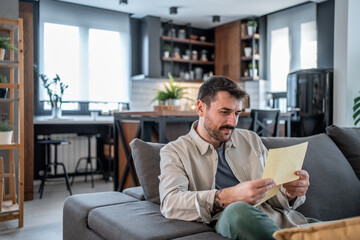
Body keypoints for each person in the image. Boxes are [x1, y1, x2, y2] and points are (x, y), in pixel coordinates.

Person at [158, 76, 311, 240]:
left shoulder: (251, 140)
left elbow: (271, 195)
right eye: (224, 112)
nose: (233, 121)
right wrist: (229, 196)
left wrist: (289, 193)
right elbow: (171, 203)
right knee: (237, 211)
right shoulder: (174, 152)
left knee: (336, 229)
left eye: (237, 113)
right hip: (234, 220)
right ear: (201, 108)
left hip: (285, 222)